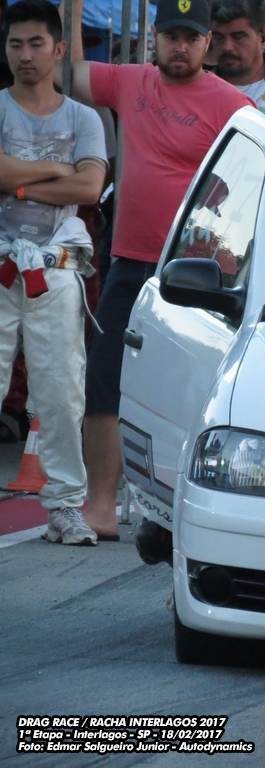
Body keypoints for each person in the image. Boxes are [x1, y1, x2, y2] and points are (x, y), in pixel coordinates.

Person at [68, 0, 252, 539]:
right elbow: (69, 74)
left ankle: (187, 509)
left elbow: (250, 185)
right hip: (129, 261)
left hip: (195, 274)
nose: (180, 47)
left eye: (190, 38)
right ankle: (102, 505)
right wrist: (74, 11)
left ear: (207, 42)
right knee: (104, 379)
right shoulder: (131, 82)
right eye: (171, 36)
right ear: (155, 37)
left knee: (189, 391)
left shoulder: (234, 105)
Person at [0, 0, 106, 545]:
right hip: (2, 267)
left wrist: (16, 183)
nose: (25, 54)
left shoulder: (83, 118)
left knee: (62, 393)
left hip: (55, 268)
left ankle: (65, 505)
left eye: (36, 43)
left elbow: (89, 187)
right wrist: (52, 170)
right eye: (15, 44)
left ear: (58, 49)